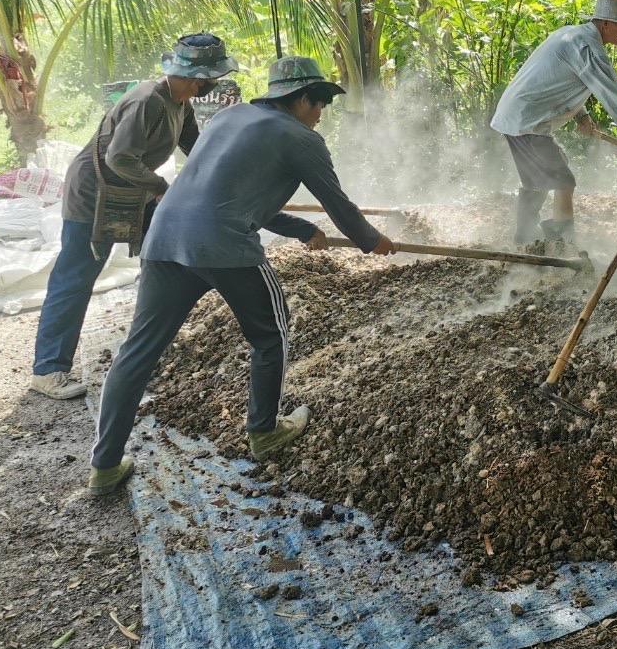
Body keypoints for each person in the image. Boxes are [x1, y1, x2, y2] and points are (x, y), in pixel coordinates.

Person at [87, 56, 394, 496]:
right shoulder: (301, 138)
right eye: (320, 103)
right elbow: (339, 205)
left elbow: (232, 194)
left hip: (165, 240)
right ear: (302, 99)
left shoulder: (230, 118)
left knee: (138, 351)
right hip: (225, 247)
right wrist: (373, 241)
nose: (320, 114)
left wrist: (302, 229)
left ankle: (105, 466)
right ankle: (265, 431)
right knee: (272, 335)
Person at [30, 33, 235, 400]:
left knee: (168, 249)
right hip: (96, 191)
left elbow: (197, 148)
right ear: (196, 77)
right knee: (76, 275)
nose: (213, 84)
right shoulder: (148, 102)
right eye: (212, 78)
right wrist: (161, 186)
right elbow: (119, 158)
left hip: (130, 188)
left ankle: (155, 339)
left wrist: (226, 172)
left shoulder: (181, 102)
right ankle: (48, 369)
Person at [491, 0, 617, 245]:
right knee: (563, 180)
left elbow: (562, 82)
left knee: (545, 175)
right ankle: (562, 244)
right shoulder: (587, 47)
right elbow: (615, 100)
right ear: (606, 24)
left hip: (520, 116)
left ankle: (525, 238)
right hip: (526, 120)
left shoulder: (573, 35)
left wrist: (582, 116)